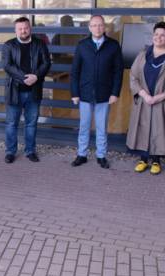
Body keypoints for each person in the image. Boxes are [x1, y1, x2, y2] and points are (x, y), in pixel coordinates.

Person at [70, 15, 124, 169]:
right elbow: (75, 71)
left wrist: (115, 93)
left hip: (104, 95)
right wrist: (75, 93)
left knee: (101, 127)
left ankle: (101, 156)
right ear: (89, 27)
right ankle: (82, 154)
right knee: (84, 126)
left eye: (100, 25)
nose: (97, 28)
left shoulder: (113, 46)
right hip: (85, 94)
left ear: (104, 27)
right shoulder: (82, 45)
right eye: (94, 25)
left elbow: (118, 71)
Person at [2, 17, 51, 164]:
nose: (23, 31)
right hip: (14, 91)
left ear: (30, 28)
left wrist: (36, 76)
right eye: (20, 28)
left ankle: (30, 151)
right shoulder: (8, 45)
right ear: (15, 30)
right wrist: (24, 77)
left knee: (31, 123)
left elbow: (46, 62)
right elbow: (7, 66)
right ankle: (10, 152)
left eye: (26, 28)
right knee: (11, 124)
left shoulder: (40, 44)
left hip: (34, 91)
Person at [127, 21, 165, 175]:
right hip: (143, 100)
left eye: (163, 35)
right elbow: (133, 77)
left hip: (160, 101)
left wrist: (157, 98)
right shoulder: (143, 55)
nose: (159, 38)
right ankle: (143, 159)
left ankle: (156, 161)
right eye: (156, 34)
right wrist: (143, 94)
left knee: (158, 129)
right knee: (142, 128)